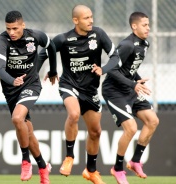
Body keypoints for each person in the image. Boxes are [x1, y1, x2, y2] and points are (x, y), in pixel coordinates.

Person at [38, 4, 121, 184]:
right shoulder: (64, 39)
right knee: (74, 114)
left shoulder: (99, 35)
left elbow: (116, 57)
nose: (91, 20)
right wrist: (51, 70)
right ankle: (69, 157)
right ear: (75, 20)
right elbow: (45, 52)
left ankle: (91, 171)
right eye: (86, 18)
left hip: (90, 90)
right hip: (69, 85)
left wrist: (103, 69)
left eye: (91, 17)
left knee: (96, 131)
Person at [0, 10, 58, 184]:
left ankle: (25, 161)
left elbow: (51, 47)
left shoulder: (35, 36)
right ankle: (43, 166)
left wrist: (53, 70)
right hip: (11, 89)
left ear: (23, 25)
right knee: (28, 132)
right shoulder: (2, 40)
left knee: (17, 118)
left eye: (15, 28)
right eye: (8, 29)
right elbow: (0, 70)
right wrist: (12, 81)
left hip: (31, 85)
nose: (11, 32)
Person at [101, 12, 159, 184]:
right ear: (134, 26)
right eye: (144, 25)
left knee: (153, 121)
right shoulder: (127, 45)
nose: (148, 27)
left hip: (129, 88)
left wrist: (137, 80)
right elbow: (111, 69)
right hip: (114, 91)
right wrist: (133, 84)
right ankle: (117, 168)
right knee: (131, 128)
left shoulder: (145, 44)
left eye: (148, 24)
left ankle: (135, 161)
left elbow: (129, 69)